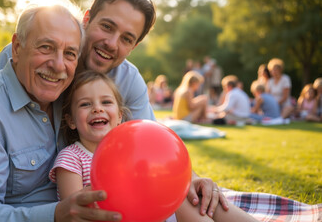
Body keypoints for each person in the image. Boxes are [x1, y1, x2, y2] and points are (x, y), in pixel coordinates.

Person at [0, 0, 227, 221]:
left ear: (134, 46)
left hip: (76, 184)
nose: (111, 43)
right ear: (87, 20)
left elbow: (151, 148)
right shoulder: (26, 54)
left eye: (127, 38)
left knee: (193, 198)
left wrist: (194, 178)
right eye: (107, 27)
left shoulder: (126, 78)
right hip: (35, 185)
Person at [49, 70, 257, 222]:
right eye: (86, 104)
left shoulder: (132, 149)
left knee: (196, 200)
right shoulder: (71, 158)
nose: (97, 109)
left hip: (157, 213)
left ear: (120, 116)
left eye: (106, 102)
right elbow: (74, 211)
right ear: (71, 120)